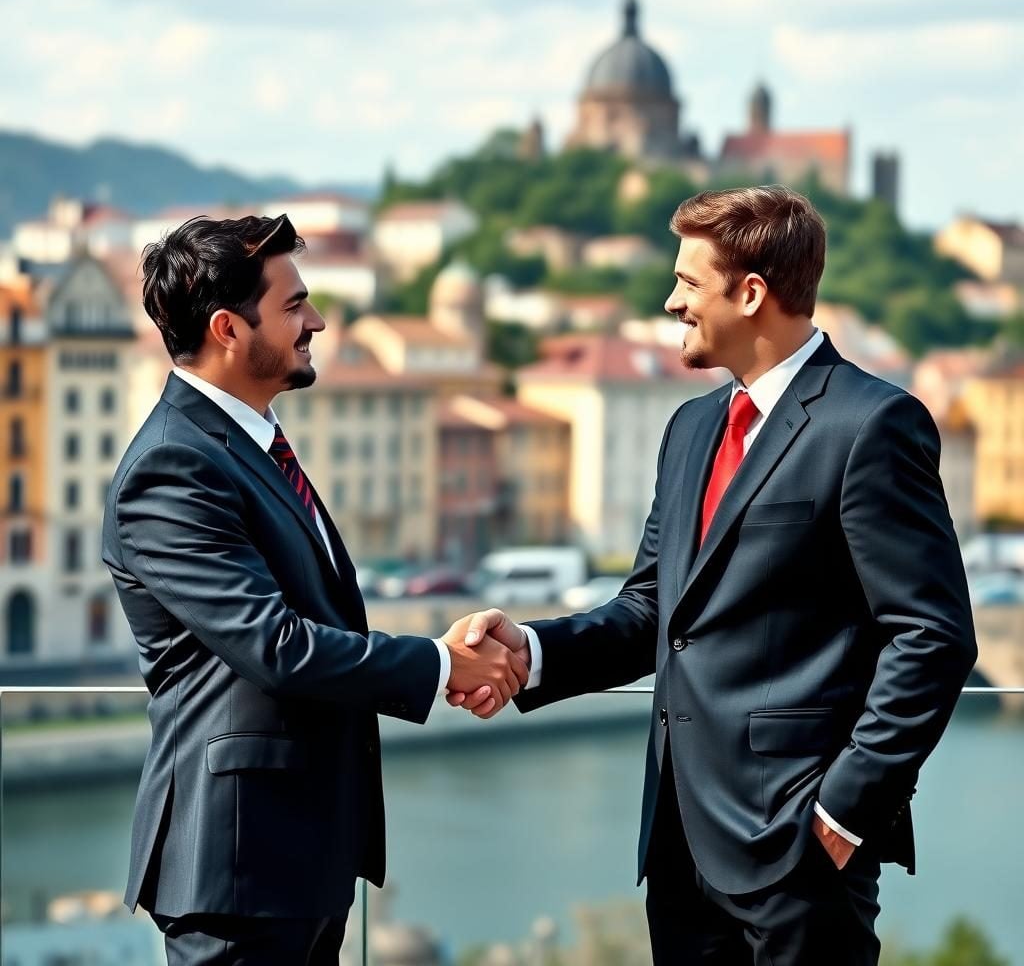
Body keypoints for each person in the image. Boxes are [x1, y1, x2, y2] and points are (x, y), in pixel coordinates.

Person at [448, 187, 977, 965]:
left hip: (802, 853)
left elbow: (933, 636)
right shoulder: (691, 427)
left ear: (752, 293)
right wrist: (532, 650)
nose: (670, 302)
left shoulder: (871, 424)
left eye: (689, 284)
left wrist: (843, 811)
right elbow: (655, 608)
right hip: (680, 850)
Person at [102, 213, 527, 965]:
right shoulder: (172, 467)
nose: (317, 322)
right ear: (230, 328)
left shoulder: (247, 445)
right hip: (238, 871)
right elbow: (276, 644)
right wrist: (438, 664)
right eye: (295, 305)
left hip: (297, 861)